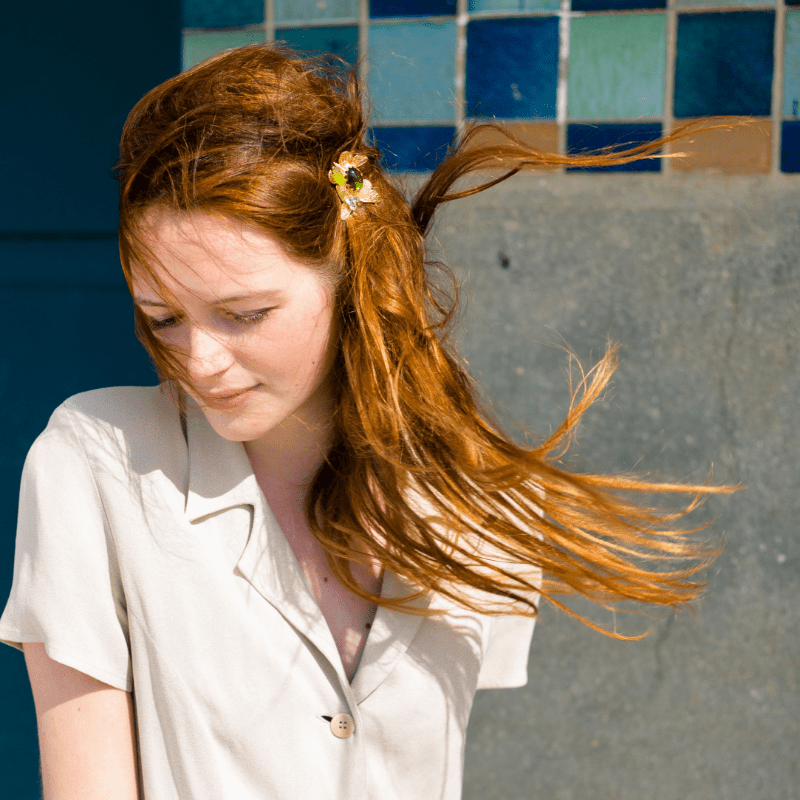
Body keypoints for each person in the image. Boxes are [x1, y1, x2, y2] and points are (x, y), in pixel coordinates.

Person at [0, 43, 731, 800]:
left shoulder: (485, 499)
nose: (200, 359)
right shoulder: (96, 464)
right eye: (164, 318)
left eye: (243, 313)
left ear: (348, 273)